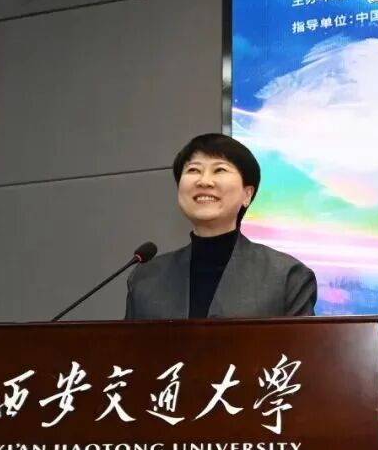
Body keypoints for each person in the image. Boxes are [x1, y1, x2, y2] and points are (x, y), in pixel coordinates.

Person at [125, 134, 317, 319]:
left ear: (247, 195)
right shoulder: (146, 278)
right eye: (193, 170)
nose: (204, 181)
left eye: (219, 170)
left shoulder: (287, 277)